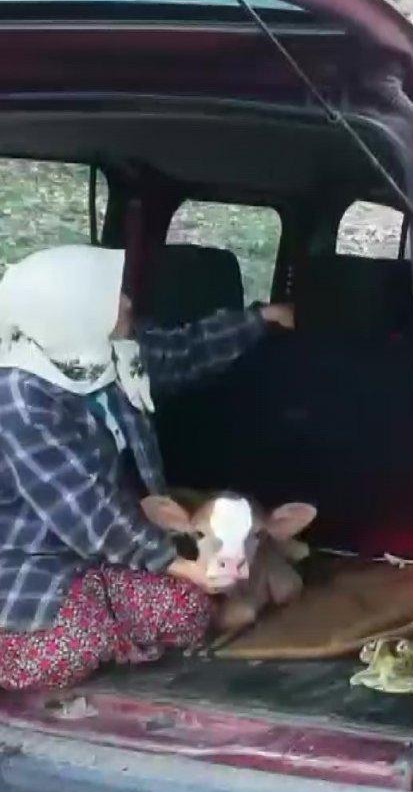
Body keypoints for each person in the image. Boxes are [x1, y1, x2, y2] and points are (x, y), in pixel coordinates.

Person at [0, 245, 294, 691]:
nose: (127, 303)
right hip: (32, 566)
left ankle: (105, 624)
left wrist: (260, 319)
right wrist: (182, 565)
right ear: (71, 312)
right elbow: (88, 513)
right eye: (110, 297)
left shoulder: (105, 355)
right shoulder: (21, 397)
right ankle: (82, 630)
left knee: (190, 610)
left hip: (106, 559)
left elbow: (184, 351)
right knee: (72, 644)